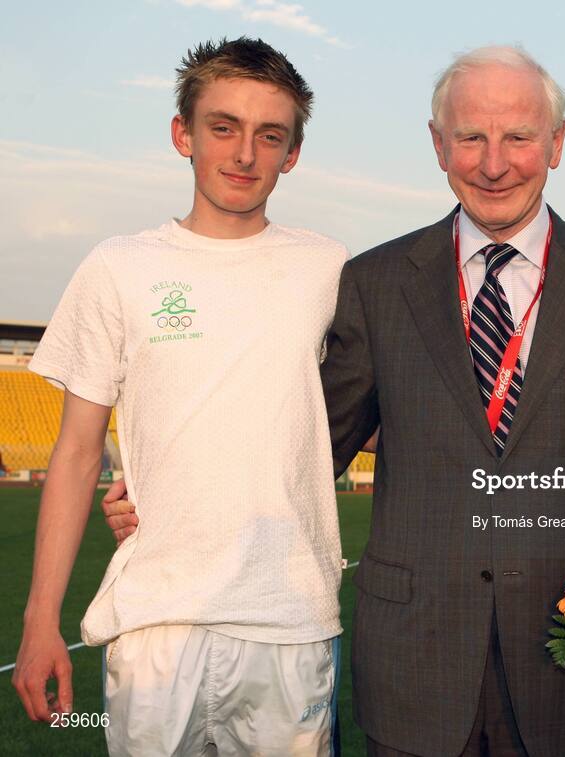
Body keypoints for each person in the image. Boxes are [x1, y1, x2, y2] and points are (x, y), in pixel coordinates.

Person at [318, 47, 565, 756]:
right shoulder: (374, 282)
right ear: (437, 143)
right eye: (471, 137)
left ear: (557, 143)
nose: (494, 163)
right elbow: (308, 451)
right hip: (413, 663)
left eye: (518, 136)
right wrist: (178, 502)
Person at [13, 37, 349, 755]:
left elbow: (363, 413)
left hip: (288, 621)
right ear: (182, 135)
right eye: (223, 127)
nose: (244, 153)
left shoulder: (329, 268)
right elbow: (75, 453)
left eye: (270, 135)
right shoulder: (119, 266)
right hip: (156, 623)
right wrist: (41, 621)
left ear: (292, 154)